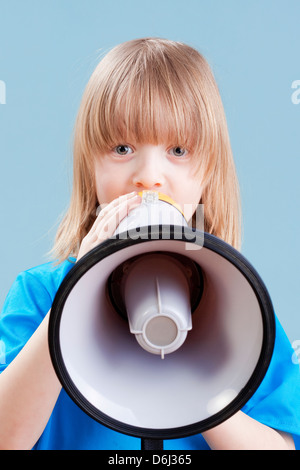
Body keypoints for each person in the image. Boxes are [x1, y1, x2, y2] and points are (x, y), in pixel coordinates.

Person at [0, 38, 299, 450]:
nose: (149, 177)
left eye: (178, 150)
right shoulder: (38, 295)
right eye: (122, 148)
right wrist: (70, 301)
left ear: (209, 172)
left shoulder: (241, 308)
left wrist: (201, 388)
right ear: (91, 167)